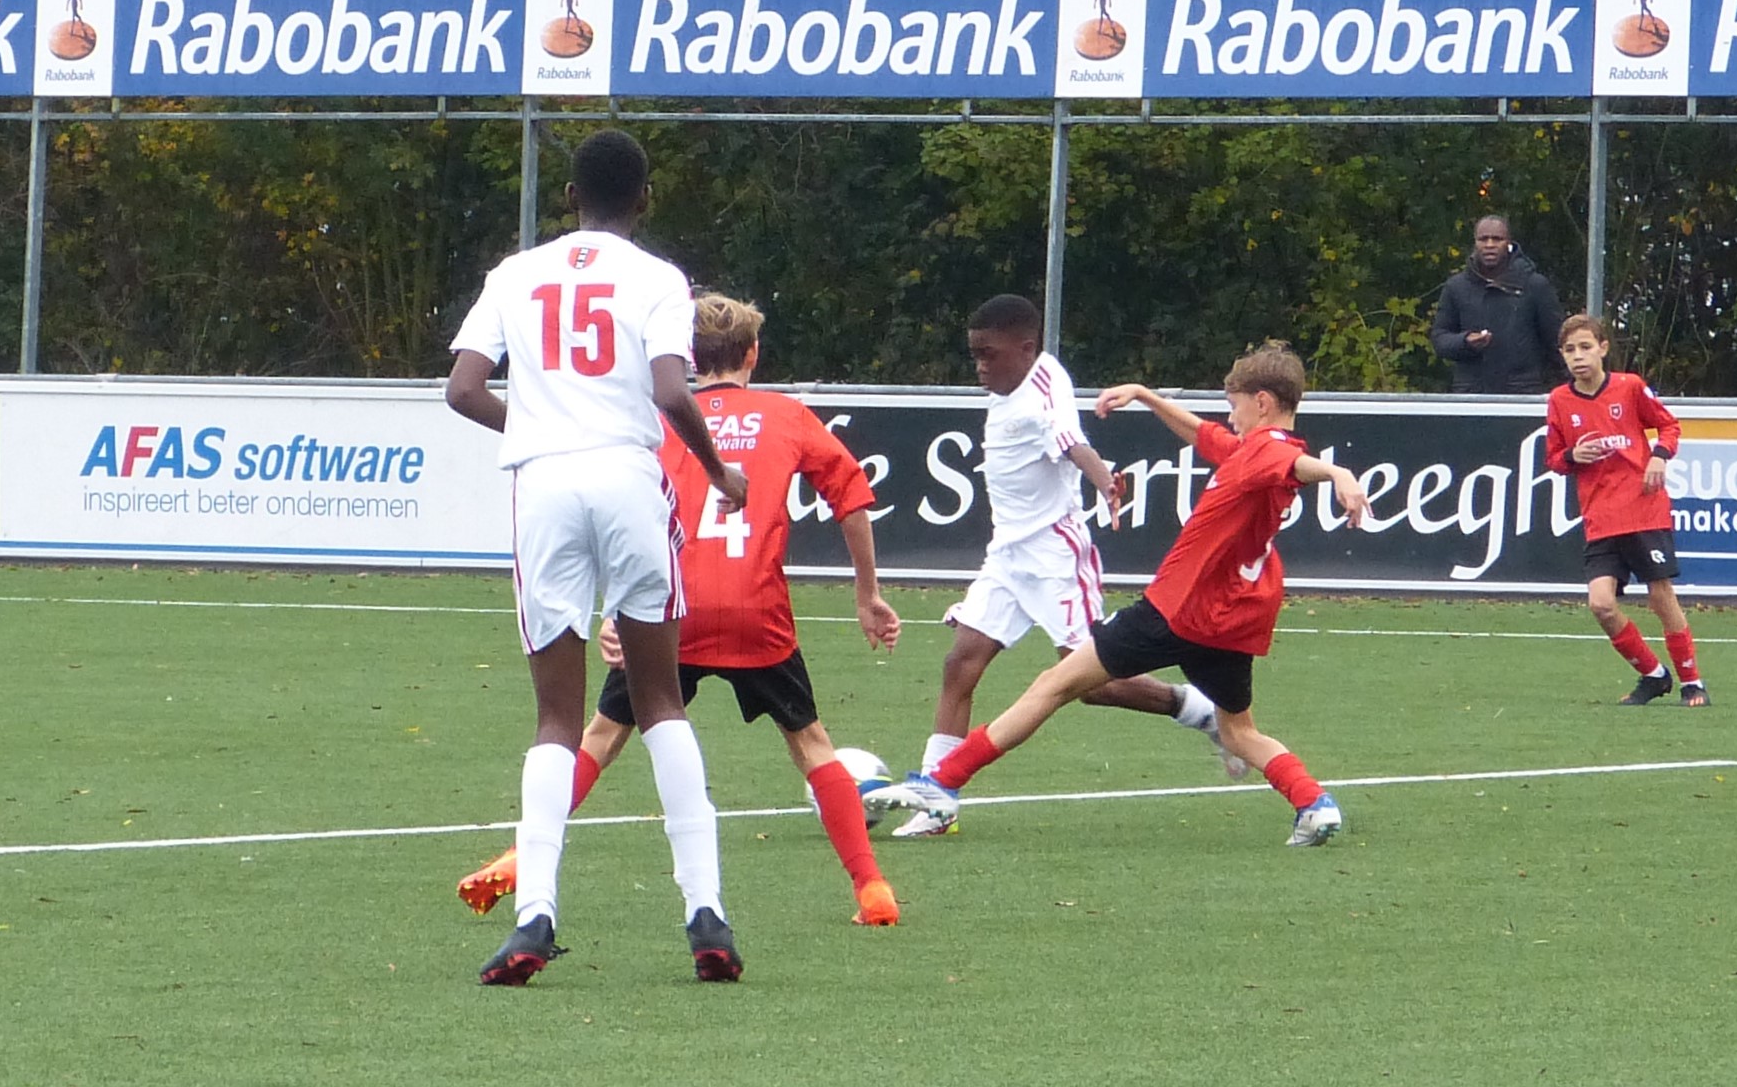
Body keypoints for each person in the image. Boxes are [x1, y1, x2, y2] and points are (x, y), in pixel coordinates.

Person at [454, 293, 906, 926]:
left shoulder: (656, 420)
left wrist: (617, 610)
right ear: (753, 354)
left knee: (602, 736)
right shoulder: (789, 416)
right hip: (757, 611)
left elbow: (628, 515)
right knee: (810, 742)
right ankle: (872, 888)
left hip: (673, 608)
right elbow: (850, 495)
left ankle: (518, 860)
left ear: (688, 358)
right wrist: (868, 593)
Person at [443, 129, 750, 985]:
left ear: (569, 197)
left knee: (555, 718)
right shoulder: (657, 279)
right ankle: (706, 915)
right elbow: (668, 392)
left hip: (542, 488)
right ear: (643, 200)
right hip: (626, 477)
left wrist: (540, 430)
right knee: (659, 701)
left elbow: (462, 390)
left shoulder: (514, 274)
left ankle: (533, 916)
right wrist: (719, 470)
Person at [872, 342, 1370, 847]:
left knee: (1055, 685)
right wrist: (1147, 396)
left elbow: (1297, 463)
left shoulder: (1267, 451)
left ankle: (942, 782)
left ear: (1261, 402)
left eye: (1235, 404)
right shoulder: (1249, 451)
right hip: (1232, 623)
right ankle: (1314, 803)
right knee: (1239, 732)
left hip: (1175, 611)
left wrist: (1339, 475)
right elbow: (1204, 433)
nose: (1230, 416)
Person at [900, 295, 1224, 839]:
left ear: (1026, 350)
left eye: (989, 355)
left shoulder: (1044, 391)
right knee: (961, 663)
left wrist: (1104, 480)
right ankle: (937, 797)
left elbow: (1072, 442)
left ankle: (1198, 708)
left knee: (1091, 683)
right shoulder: (1024, 375)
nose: (980, 367)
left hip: (1055, 554)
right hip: (1007, 554)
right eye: (974, 355)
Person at [1543, 315, 1708, 707]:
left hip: (1643, 509)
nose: (1578, 357)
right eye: (1570, 350)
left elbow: (1669, 427)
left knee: (1660, 596)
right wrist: (1572, 454)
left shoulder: (1629, 387)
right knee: (1601, 603)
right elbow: (1554, 459)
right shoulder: (1559, 401)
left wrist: (1658, 457)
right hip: (1600, 517)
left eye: (1585, 347)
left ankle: (1692, 682)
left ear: (1603, 348)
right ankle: (1653, 675)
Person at [1432, 215, 1568, 395]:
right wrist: (1465, 342)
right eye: (1483, 239)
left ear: (1509, 243)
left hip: (1523, 394)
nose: (1489, 245)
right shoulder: (1456, 287)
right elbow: (1440, 339)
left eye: (1497, 239)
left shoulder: (1535, 285)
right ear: (1475, 243)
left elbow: (1557, 342)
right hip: (1471, 397)